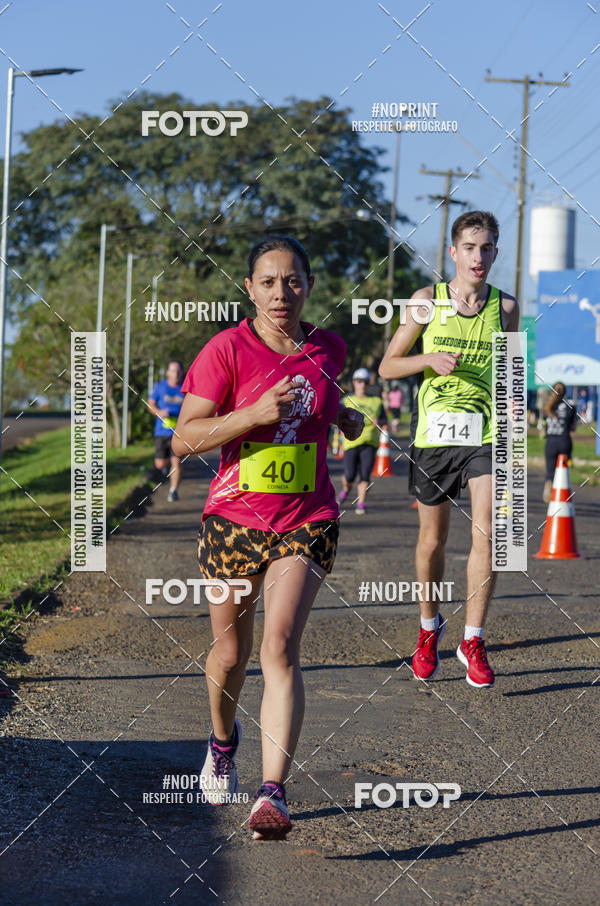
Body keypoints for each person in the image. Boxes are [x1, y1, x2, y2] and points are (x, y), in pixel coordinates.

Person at [172, 236, 363, 839]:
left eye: (294, 280)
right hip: (233, 521)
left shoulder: (329, 348)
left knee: (279, 647)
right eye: (269, 281)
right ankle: (222, 742)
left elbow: (321, 399)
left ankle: (272, 793)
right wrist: (250, 416)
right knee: (231, 654)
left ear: (309, 285)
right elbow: (183, 438)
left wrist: (342, 416)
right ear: (250, 288)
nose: (283, 292)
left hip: (307, 518)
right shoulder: (227, 349)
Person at [379, 210, 519, 688]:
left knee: (490, 534)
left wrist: (513, 401)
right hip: (434, 436)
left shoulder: (506, 307)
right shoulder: (426, 301)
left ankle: (473, 639)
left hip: (485, 434)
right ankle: (428, 627)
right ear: (453, 252)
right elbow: (387, 366)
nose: (478, 257)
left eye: (487, 248)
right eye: (470, 248)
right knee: (431, 542)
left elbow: (511, 370)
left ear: (495, 252)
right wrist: (429, 359)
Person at [338, 367, 388, 515]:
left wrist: (379, 421)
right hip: (351, 442)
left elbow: (385, 420)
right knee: (350, 475)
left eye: (365, 382)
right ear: (354, 382)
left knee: (365, 474)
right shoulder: (346, 400)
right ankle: (346, 489)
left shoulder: (376, 401)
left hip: (370, 442)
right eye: (359, 381)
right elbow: (338, 421)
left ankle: (361, 503)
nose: (362, 385)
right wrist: (339, 444)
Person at [147, 361, 185, 501]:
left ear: (181, 373)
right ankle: (164, 466)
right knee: (160, 464)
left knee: (176, 462)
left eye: (178, 371)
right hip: (161, 432)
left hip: (178, 433)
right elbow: (150, 404)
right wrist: (159, 412)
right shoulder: (160, 387)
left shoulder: (185, 388)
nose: (176, 374)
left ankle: (173, 491)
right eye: (173, 370)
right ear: (168, 373)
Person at [543, 382, 576, 503]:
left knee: (550, 471)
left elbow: (544, 424)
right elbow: (573, 427)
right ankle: (563, 495)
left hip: (550, 442)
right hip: (564, 441)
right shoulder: (570, 406)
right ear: (565, 392)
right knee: (563, 471)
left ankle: (548, 487)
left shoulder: (547, 406)